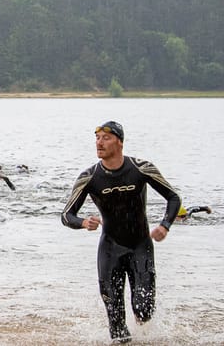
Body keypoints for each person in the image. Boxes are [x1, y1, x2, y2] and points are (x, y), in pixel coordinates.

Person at [61, 121, 181, 344]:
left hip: (140, 246)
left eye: (105, 138)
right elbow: (67, 215)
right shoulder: (89, 177)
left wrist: (165, 225)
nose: (99, 143)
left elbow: (173, 197)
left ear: (120, 142)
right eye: (97, 138)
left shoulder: (141, 168)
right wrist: (83, 222)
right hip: (109, 250)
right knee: (116, 321)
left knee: (143, 310)